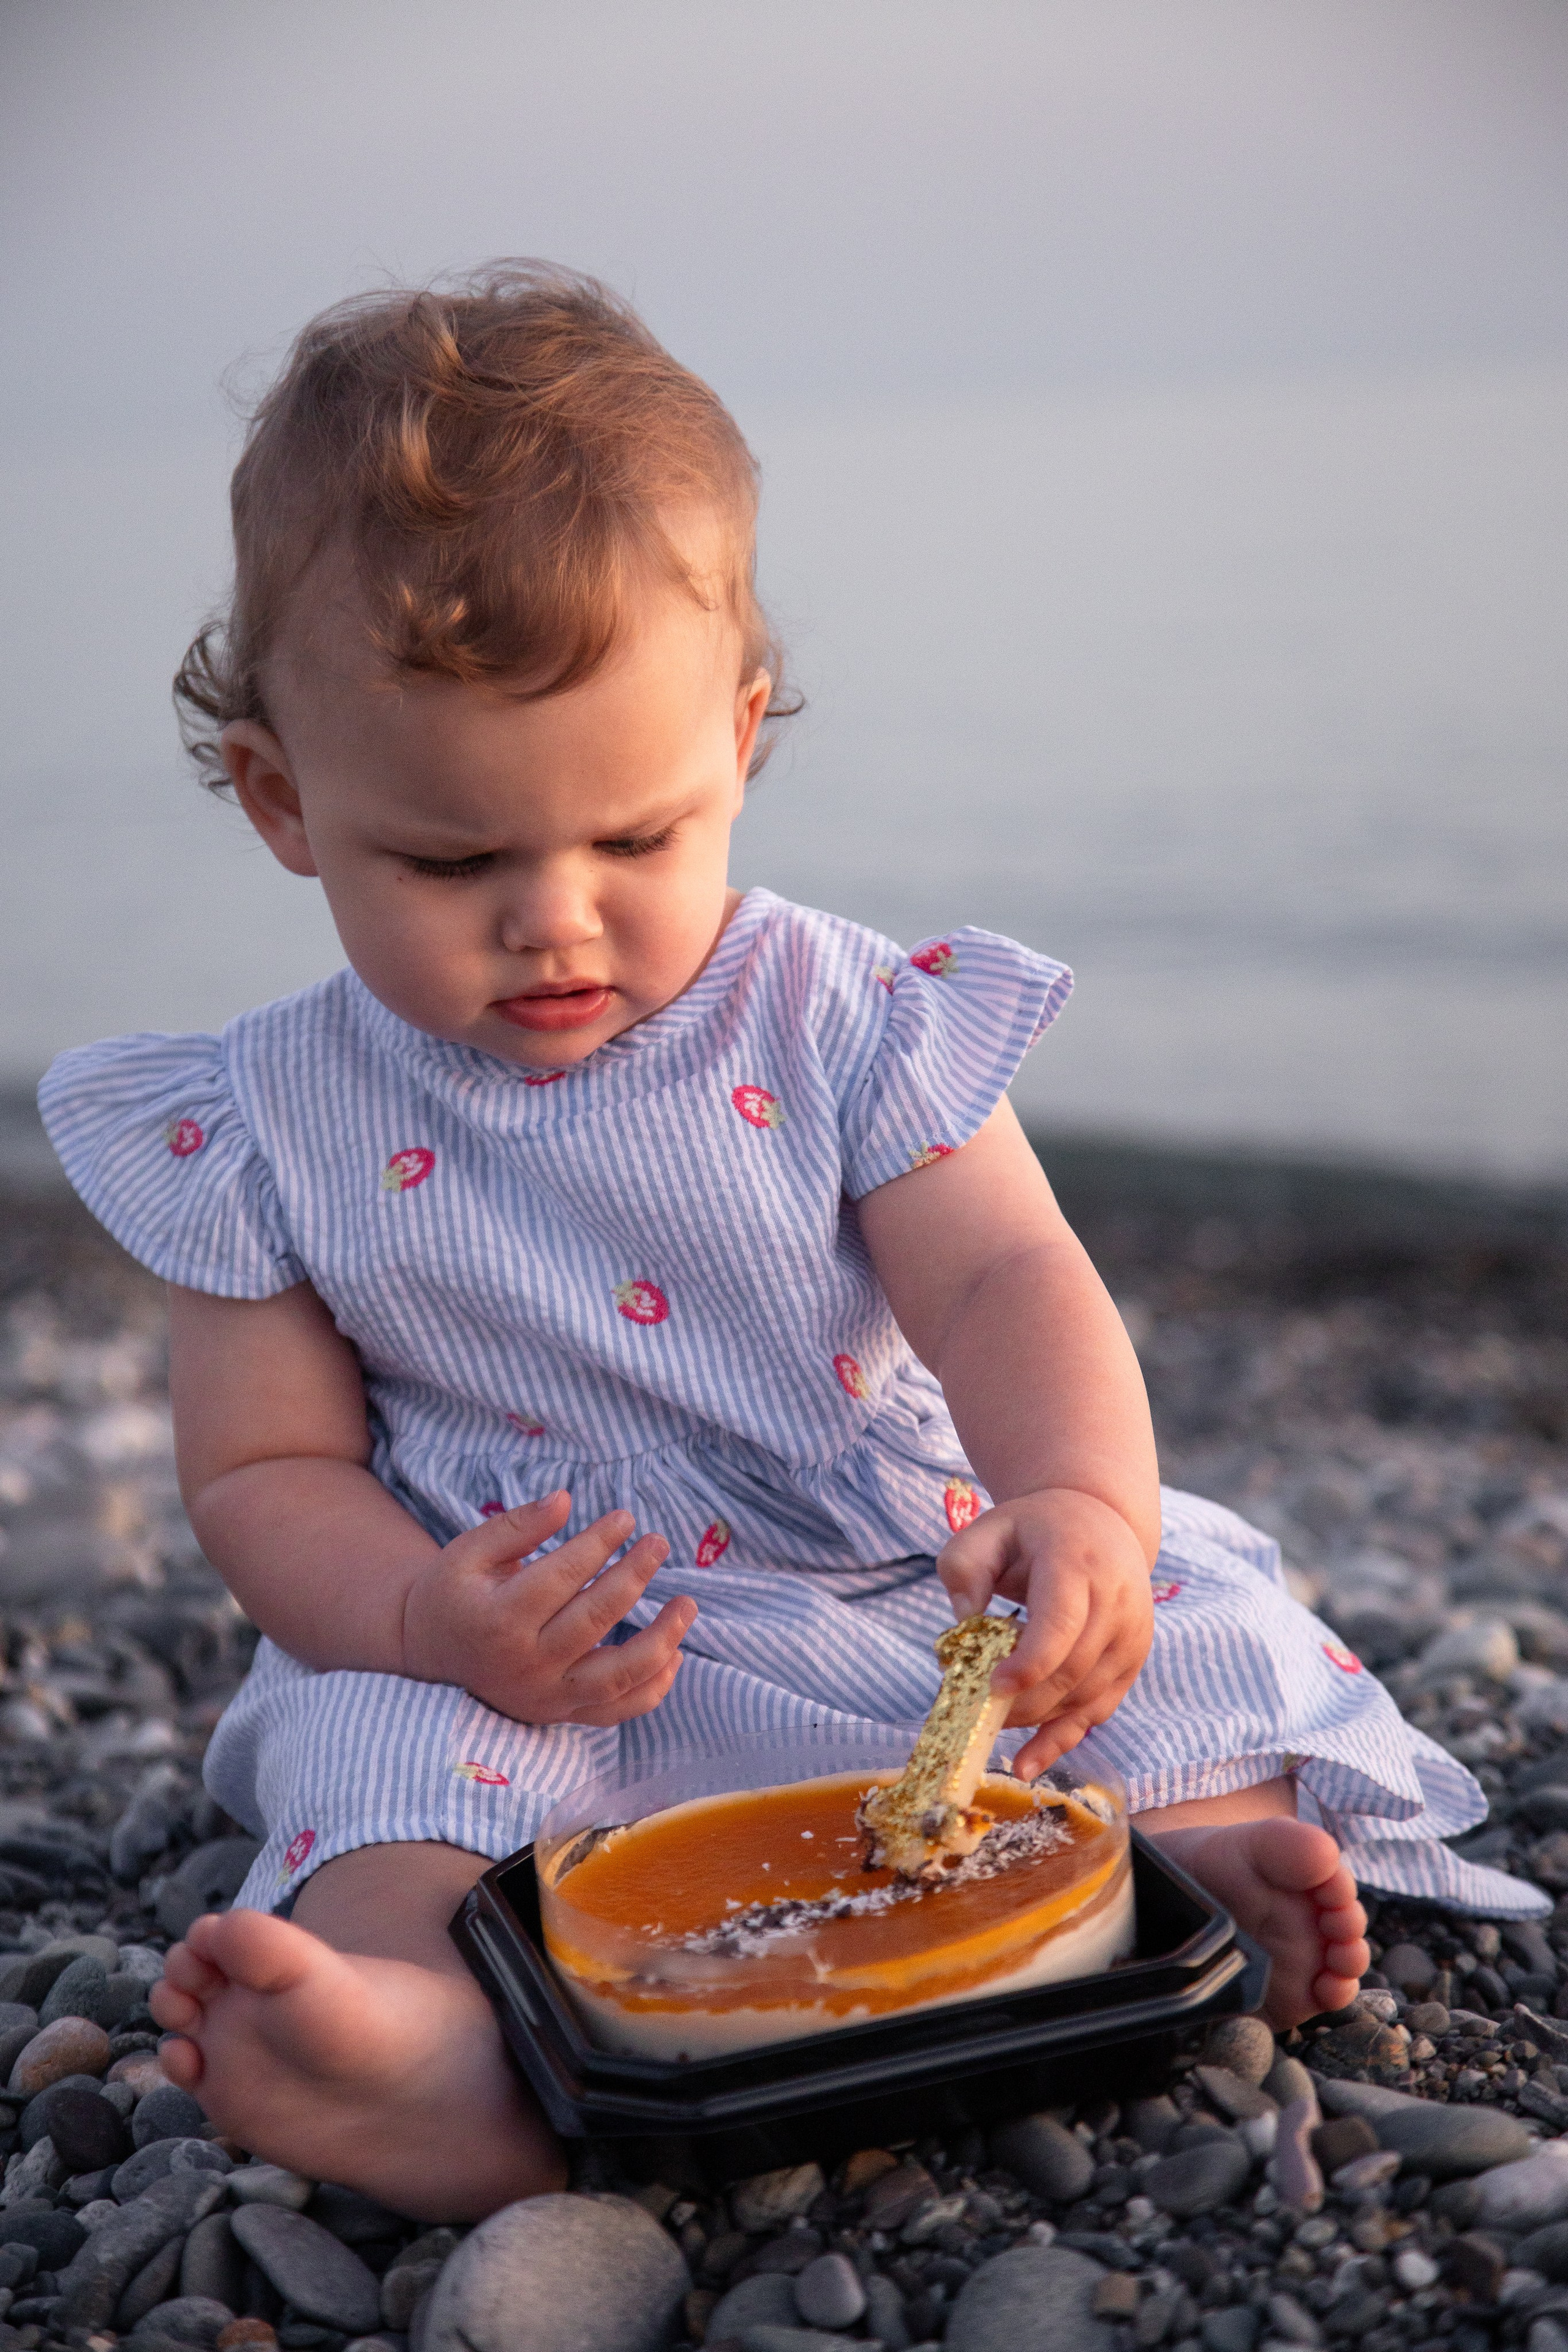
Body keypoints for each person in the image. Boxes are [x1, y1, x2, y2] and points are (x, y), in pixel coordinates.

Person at [39, 265, 1538, 2222]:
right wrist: (421, 1616)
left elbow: (1005, 1280)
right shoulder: (259, 1121)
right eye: (453, 860)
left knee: (1137, 1650)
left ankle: (1186, 1877)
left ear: (740, 743)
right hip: (528, 1628)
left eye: (634, 839)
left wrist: (1078, 1500)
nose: (553, 920)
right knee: (393, 1772)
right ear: (282, 803)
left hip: (870, 1559)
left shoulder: (842, 1015)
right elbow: (265, 1470)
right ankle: (432, 2050)